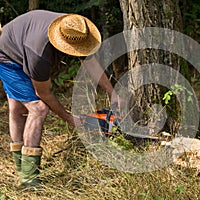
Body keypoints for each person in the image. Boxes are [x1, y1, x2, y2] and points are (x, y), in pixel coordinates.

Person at [0, 10, 120, 187]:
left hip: (21, 39)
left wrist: (113, 93)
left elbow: (90, 62)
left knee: (17, 107)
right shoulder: (39, 53)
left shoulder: (75, 28)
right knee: (37, 108)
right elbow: (44, 93)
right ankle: (28, 179)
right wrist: (70, 118)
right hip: (7, 55)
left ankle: (21, 166)